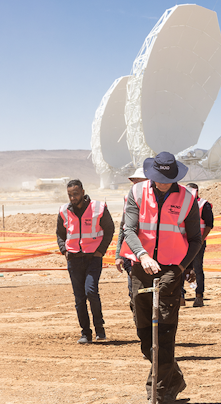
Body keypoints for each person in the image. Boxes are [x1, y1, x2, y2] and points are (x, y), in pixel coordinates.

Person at [121, 151, 202, 404]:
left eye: (167, 178)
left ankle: (158, 391)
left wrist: (180, 268)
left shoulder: (188, 199)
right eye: (158, 177)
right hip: (140, 267)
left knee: (164, 331)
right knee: (146, 333)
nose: (162, 182)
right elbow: (129, 229)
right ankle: (174, 376)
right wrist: (142, 255)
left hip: (170, 270)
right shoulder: (136, 194)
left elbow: (195, 239)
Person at [57, 179, 114, 344]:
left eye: (75, 194)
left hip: (92, 259)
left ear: (82, 192)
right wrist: (64, 250)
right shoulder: (63, 210)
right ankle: (85, 333)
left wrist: (100, 251)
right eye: (70, 195)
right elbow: (60, 233)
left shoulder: (98, 208)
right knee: (79, 298)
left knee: (91, 291)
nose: (73, 198)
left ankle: (99, 328)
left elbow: (109, 229)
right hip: (74, 259)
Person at [116, 168, 149, 313]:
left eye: (138, 181)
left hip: (150, 254)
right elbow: (123, 229)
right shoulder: (129, 199)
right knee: (134, 293)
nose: (134, 183)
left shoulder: (156, 203)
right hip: (131, 256)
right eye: (133, 181)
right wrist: (118, 255)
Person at [182, 182, 214, 308]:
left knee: (197, 268)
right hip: (183, 241)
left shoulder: (203, 204)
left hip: (197, 242)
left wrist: (202, 239)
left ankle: (199, 296)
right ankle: (180, 296)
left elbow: (209, 224)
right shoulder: (183, 204)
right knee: (180, 268)